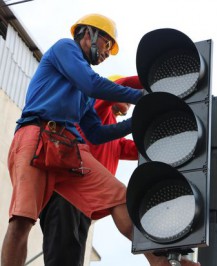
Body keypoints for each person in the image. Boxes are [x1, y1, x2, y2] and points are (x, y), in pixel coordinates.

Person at [0, 13, 200, 266]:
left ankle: (160, 262)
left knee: (120, 198)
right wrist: (144, 96)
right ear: (88, 34)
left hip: (69, 149)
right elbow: (93, 84)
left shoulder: (82, 94)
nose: (106, 53)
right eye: (106, 44)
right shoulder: (65, 49)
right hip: (37, 137)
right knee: (22, 221)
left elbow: (96, 133)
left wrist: (141, 120)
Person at [39, 75, 142, 266]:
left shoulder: (116, 136)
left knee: (73, 257)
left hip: (87, 204)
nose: (129, 99)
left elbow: (140, 148)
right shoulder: (98, 108)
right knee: (62, 255)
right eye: (124, 96)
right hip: (67, 193)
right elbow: (122, 85)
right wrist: (153, 80)